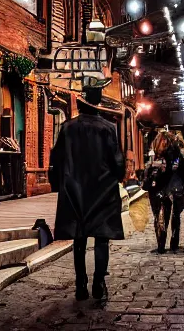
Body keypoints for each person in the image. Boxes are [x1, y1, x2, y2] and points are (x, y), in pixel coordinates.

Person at [49, 87, 124, 301]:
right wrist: (117, 178)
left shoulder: (67, 128)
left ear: (80, 105)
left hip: (75, 190)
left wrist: (58, 186)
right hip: (102, 190)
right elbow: (117, 161)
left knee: (79, 239)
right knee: (102, 238)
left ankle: (80, 284)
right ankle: (99, 282)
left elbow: (56, 160)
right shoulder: (109, 128)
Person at [143, 130, 184, 253]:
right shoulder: (179, 155)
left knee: (159, 217)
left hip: (157, 189)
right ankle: (174, 244)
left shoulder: (156, 156)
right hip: (176, 189)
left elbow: (148, 173)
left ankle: (161, 245)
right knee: (175, 216)